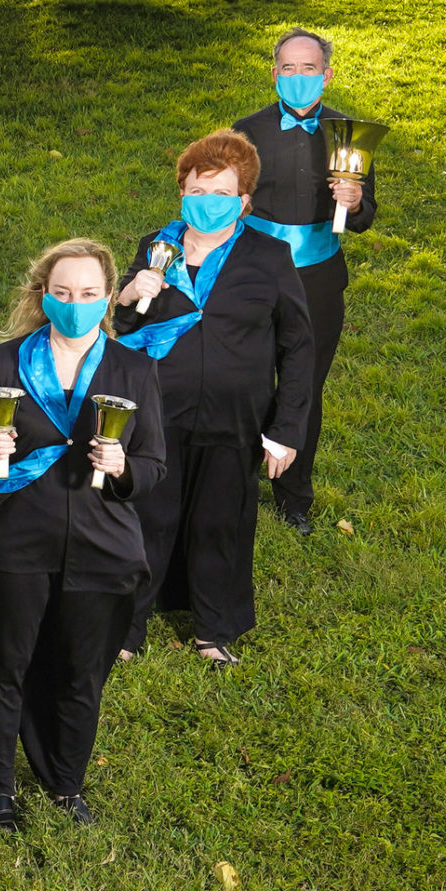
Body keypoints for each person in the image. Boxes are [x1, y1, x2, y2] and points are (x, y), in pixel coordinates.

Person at [0, 239, 165, 831]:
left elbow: (154, 464)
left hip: (101, 543)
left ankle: (65, 781)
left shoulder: (134, 367)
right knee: (1, 664)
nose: (75, 303)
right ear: (43, 295)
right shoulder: (9, 360)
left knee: (79, 671)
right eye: (62, 293)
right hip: (16, 536)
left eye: (88, 294)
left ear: (108, 298)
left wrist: (121, 468)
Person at [111, 129, 313, 667]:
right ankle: (127, 628)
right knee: (146, 514)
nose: (207, 203)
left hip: (235, 416)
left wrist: (286, 429)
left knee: (221, 519)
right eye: (197, 191)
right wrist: (129, 295)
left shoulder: (268, 257)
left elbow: (297, 348)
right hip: (158, 411)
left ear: (244, 202)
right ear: (182, 192)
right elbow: (125, 328)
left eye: (221, 194)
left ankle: (213, 628)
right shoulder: (158, 247)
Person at [231, 28, 375, 536]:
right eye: (287, 68)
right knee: (246, 379)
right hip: (254, 273)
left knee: (304, 386)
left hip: (317, 277)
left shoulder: (348, 134)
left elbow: (364, 217)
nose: (297, 77)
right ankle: (234, 482)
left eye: (308, 68)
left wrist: (355, 204)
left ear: (326, 74)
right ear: (275, 74)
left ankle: (293, 495)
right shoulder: (245, 132)